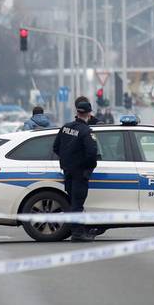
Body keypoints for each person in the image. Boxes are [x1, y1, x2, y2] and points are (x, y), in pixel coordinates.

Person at [52, 98, 99, 242]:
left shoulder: (65, 127)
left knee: (73, 202)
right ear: (89, 113)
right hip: (79, 173)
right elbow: (92, 154)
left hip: (67, 171)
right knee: (78, 203)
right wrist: (87, 166)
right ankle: (77, 233)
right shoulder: (86, 131)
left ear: (77, 112)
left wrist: (68, 162)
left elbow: (56, 147)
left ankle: (79, 230)